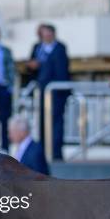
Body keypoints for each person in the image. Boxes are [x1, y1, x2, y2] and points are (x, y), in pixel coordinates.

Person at [27, 24, 70, 160]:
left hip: (56, 93)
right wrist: (32, 66)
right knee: (42, 123)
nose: (45, 36)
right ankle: (44, 153)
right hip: (41, 93)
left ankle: (56, 154)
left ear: (52, 34)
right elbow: (30, 70)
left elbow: (62, 71)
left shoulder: (60, 48)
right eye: (43, 34)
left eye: (47, 33)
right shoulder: (37, 47)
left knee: (56, 124)